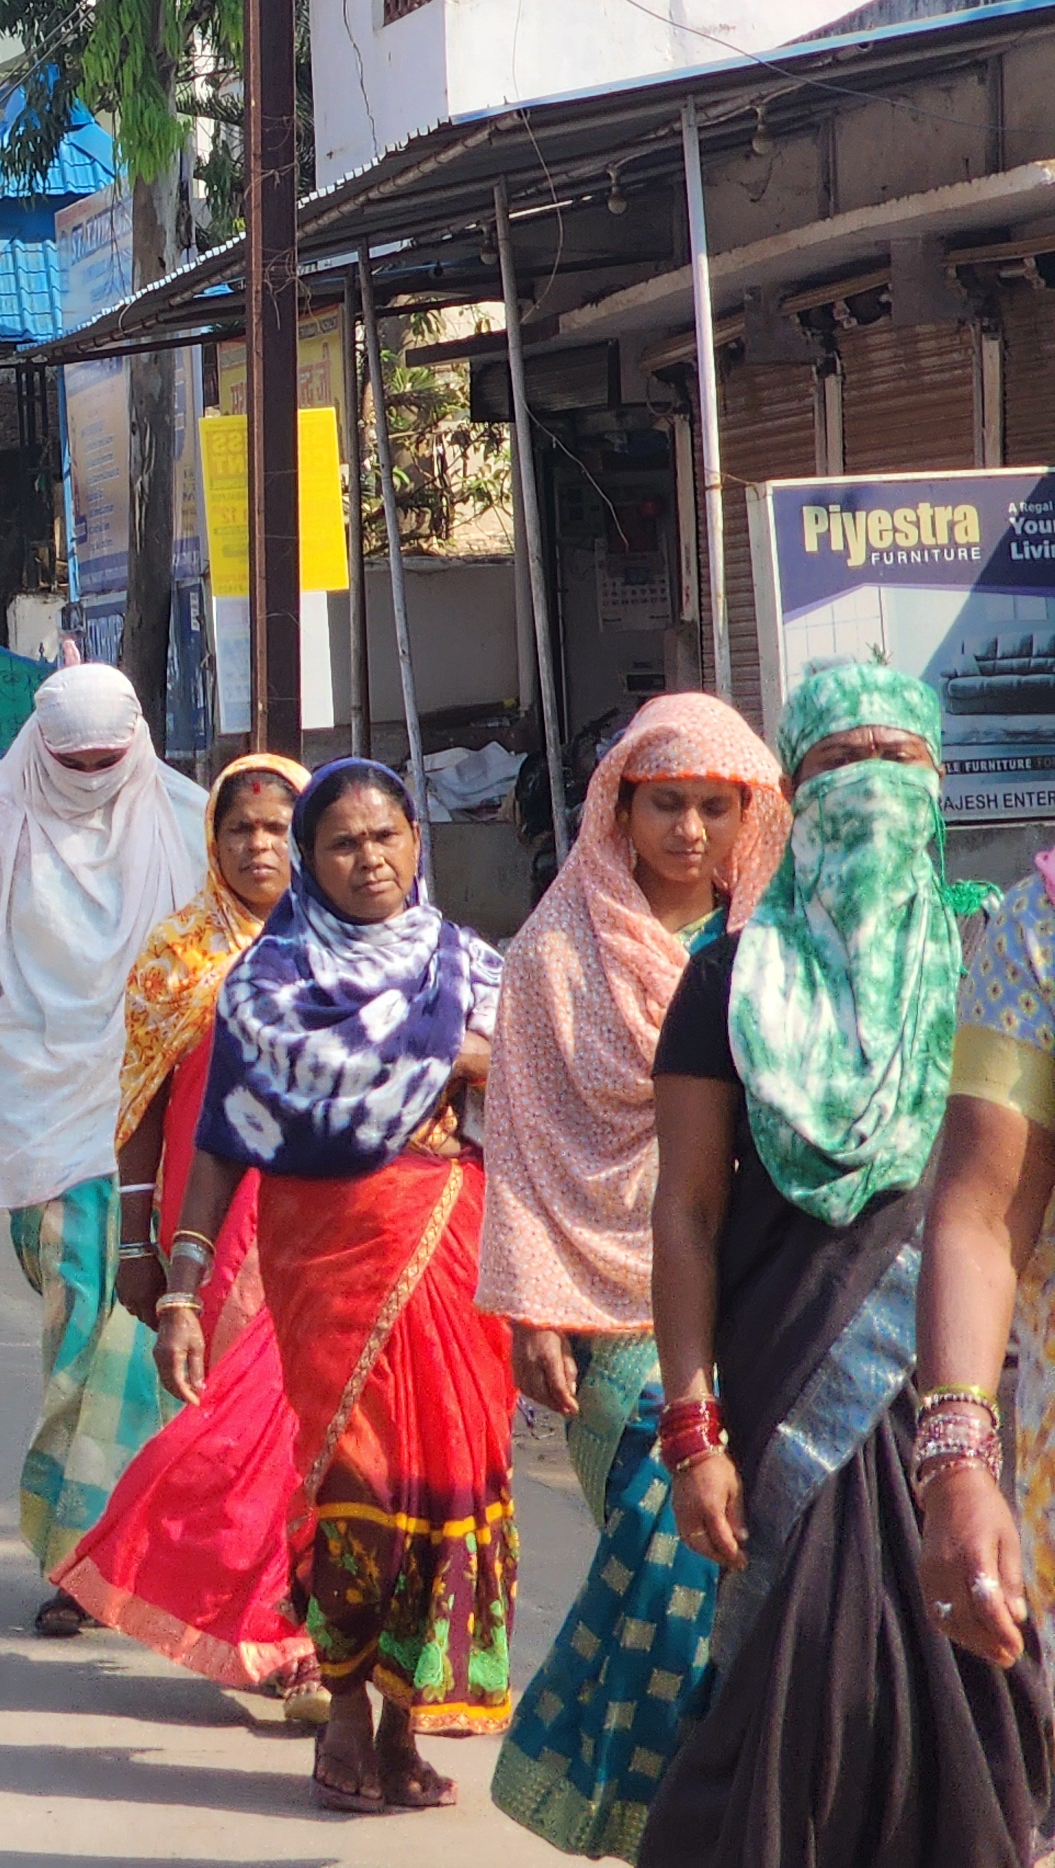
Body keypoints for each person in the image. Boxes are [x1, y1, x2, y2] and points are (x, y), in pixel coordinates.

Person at [635, 663, 1051, 1861]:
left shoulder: (1002, 948)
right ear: (790, 794)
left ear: (937, 787)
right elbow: (686, 1216)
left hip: (972, 1399)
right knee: (799, 1690)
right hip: (783, 1395)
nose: (868, 792)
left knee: (980, 1691)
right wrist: (691, 1424)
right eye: (834, 769)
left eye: (897, 764)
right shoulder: (729, 980)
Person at [161, 758, 514, 1811]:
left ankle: (406, 1722)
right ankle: (347, 1706)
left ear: (417, 841)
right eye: (344, 844)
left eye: (386, 838)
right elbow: (225, 1137)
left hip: (447, 1237)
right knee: (353, 1486)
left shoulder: (467, 966)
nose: (369, 860)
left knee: (446, 1480)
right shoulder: (266, 984)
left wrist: (472, 1059)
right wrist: (181, 1284)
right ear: (312, 862)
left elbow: (539, 1086)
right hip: (322, 1252)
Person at [477, 694, 785, 1855]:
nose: (692, 830)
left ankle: (723, 1821)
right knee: (664, 1585)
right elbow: (524, 1138)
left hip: (748, 1298)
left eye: (718, 805)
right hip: (609, 1311)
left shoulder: (772, 948)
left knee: (750, 1594)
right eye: (669, 803)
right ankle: (653, 1820)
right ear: (621, 802)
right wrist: (529, 1308)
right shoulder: (555, 954)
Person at [0, 665, 207, 1633]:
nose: (88, 776)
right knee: (82, 1329)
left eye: (105, 761)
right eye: (70, 762)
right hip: (42, 1113)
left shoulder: (190, 816)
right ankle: (79, 1551)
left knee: (151, 1338)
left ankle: (129, 1558)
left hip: (162, 1119)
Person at [45, 755, 323, 1715]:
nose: (260, 847)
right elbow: (139, 1110)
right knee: (234, 1429)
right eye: (240, 829)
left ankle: (303, 1629)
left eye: (281, 828)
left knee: (315, 1429)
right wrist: (135, 1246)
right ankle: (265, 1623)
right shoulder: (179, 954)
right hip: (214, 1226)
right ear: (212, 840)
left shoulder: (352, 948)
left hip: (331, 1224)